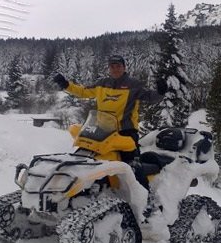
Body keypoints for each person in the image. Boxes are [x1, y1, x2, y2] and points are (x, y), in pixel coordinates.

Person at [53, 55, 166, 196]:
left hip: (126, 132)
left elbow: (150, 97)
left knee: (132, 166)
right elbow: (83, 92)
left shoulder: (133, 85)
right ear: (109, 68)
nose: (115, 69)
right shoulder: (102, 83)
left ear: (124, 67)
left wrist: (160, 92)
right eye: (112, 66)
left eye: (118, 66)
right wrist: (66, 85)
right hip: (102, 131)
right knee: (85, 159)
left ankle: (145, 200)